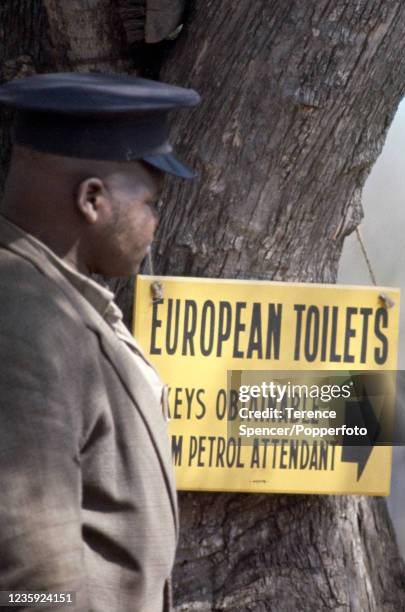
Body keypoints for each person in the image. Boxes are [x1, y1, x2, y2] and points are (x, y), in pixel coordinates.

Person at [0, 72, 200, 611]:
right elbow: (30, 583)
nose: (155, 223)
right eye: (150, 203)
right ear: (92, 199)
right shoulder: (22, 322)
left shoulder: (57, 299)